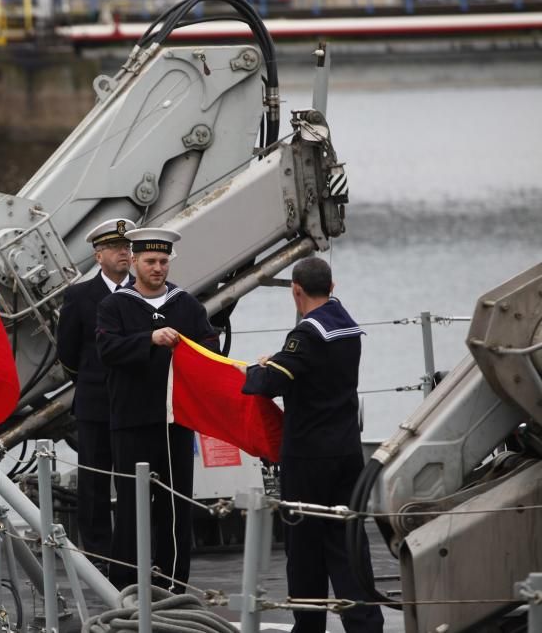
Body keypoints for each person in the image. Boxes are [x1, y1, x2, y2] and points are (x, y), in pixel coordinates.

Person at [237, 257, 384, 633]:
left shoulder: (305, 334)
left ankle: (309, 626)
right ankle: (365, 623)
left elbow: (270, 383)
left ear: (296, 290)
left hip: (308, 457)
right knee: (347, 542)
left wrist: (256, 368)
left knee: (304, 548)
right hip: (348, 451)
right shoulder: (347, 325)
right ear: (332, 288)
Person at [95, 227, 219, 591]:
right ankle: (125, 583)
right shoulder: (114, 305)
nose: (158, 268)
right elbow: (107, 350)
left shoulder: (186, 305)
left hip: (175, 421)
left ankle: (174, 581)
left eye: (163, 261)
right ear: (133, 262)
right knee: (132, 506)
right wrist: (148, 339)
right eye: (150, 261)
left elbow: (212, 347)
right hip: (131, 421)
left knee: (176, 505)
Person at [56, 217, 136, 563]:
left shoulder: (145, 292)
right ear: (98, 255)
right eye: (115, 248)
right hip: (95, 402)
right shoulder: (79, 296)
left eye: (127, 247)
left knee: (136, 478)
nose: (123, 253)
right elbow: (67, 353)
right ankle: (99, 551)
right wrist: (90, 381)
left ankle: (134, 546)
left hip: (136, 402)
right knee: (95, 481)